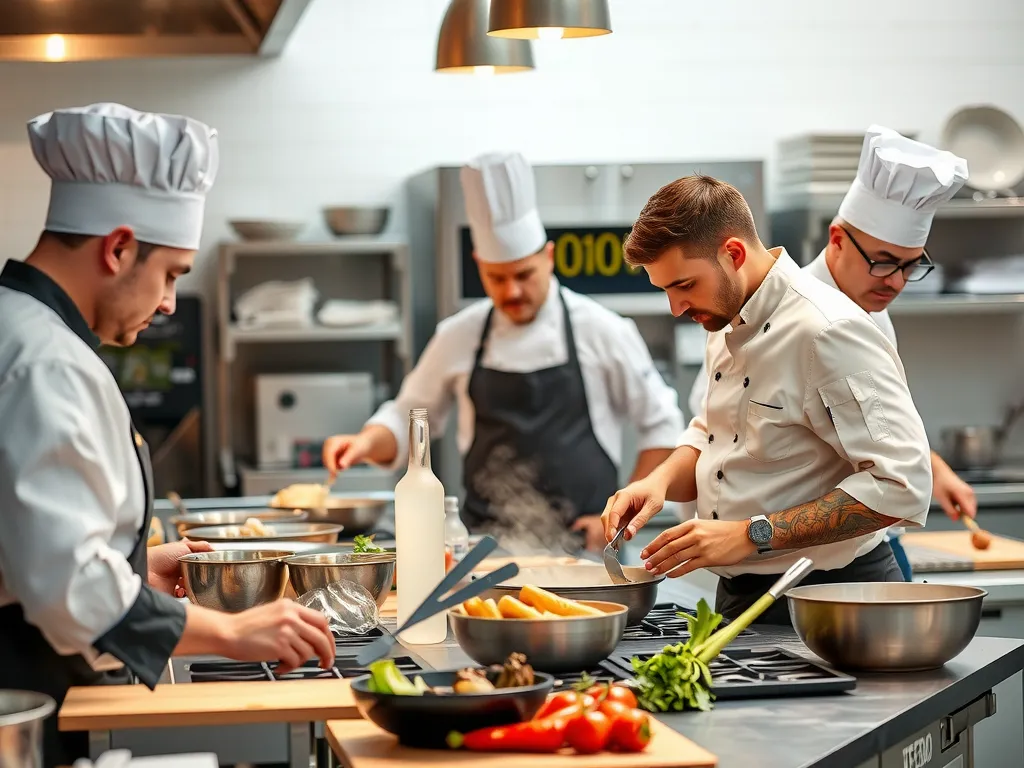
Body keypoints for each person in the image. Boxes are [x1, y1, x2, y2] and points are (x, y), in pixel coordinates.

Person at [0, 103, 335, 768]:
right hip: (23, 685)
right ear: (118, 248)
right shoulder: (47, 362)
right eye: (172, 273)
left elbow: (23, 542)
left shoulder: (22, 329)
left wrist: (127, 569)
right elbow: (67, 594)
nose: (169, 303)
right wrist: (232, 631)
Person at [600, 170, 943, 626]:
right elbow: (714, 434)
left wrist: (749, 534)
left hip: (831, 600)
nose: (676, 308)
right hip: (741, 600)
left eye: (683, 286)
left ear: (734, 254)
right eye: (665, 290)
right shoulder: (723, 321)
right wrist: (658, 483)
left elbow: (902, 486)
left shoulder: (828, 331)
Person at [323, 151, 684, 552]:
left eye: (524, 275)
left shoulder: (603, 330)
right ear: (479, 264)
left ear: (548, 258)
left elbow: (662, 426)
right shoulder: (459, 334)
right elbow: (407, 417)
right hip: (485, 550)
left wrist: (621, 517)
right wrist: (364, 443)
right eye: (496, 278)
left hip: (588, 550)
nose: (511, 291)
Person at [683, 126, 976, 580]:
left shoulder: (860, 317)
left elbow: (878, 440)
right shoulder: (760, 311)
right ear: (837, 238)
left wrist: (936, 471)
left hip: (842, 561)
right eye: (883, 261)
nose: (896, 282)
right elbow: (718, 430)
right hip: (766, 569)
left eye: (910, 265)